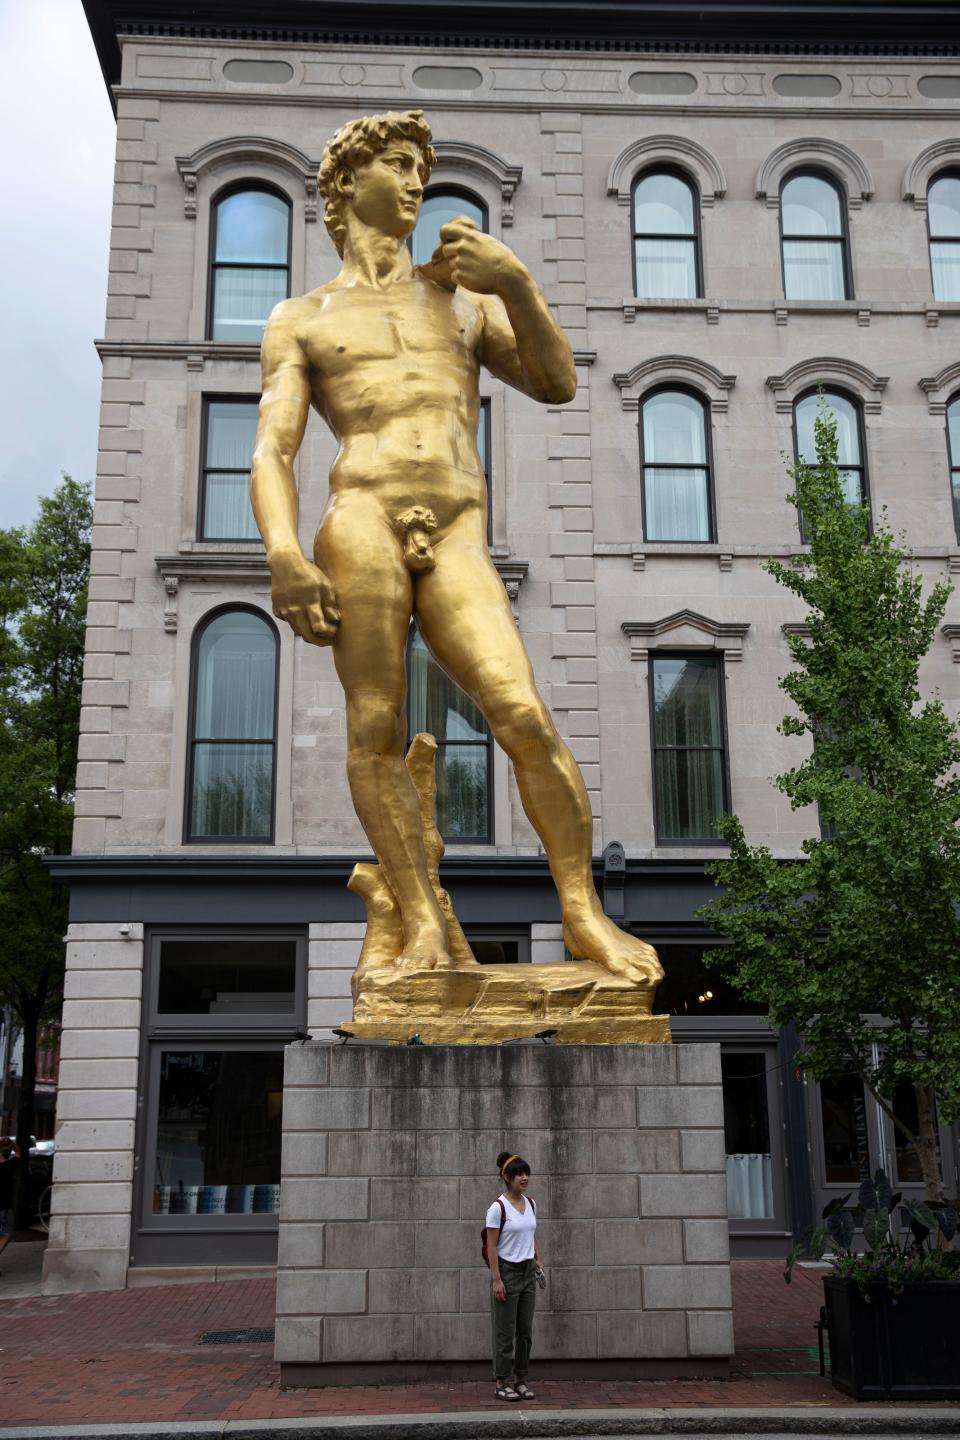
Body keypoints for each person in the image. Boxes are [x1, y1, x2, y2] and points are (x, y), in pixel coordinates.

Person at [251, 109, 662, 993]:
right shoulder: (302, 318)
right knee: (375, 726)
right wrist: (284, 551)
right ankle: (424, 922)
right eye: (396, 166)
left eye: (420, 171)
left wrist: (514, 281)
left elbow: (555, 383)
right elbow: (273, 449)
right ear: (344, 183)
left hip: (457, 525)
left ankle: (583, 912)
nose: (414, 184)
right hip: (359, 519)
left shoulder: (460, 300)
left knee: (522, 714)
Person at [485, 1150, 543, 1402]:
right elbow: (492, 1246)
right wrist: (497, 1279)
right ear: (506, 1177)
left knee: (525, 1331)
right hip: (507, 1272)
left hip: (528, 1271)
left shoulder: (530, 1203)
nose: (524, 1177)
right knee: (505, 1331)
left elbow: (530, 1234)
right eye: (518, 1173)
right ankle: (501, 1381)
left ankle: (521, 1379)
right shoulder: (497, 1208)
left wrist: (538, 1258)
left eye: (526, 1173)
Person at [0, 1137, 20, 1271]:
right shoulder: (9, 1166)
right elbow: (18, 1153)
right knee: (7, 1233)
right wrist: (12, 1144)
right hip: (3, 1206)